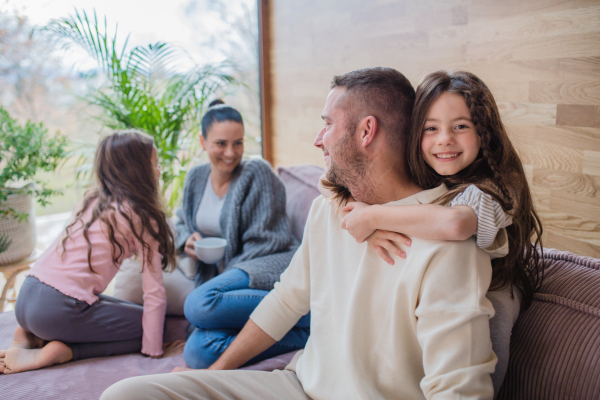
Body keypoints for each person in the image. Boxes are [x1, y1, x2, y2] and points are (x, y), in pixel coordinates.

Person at [101, 67, 498, 400]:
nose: (317, 138)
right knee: (125, 395)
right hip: (295, 386)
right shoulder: (332, 208)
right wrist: (209, 378)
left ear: (366, 131)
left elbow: (459, 390)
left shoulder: (450, 246)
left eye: (327, 124)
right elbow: (287, 299)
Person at [335, 70, 544, 396]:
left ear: (485, 133)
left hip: (497, 286)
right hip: (445, 291)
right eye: (431, 128)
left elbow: (455, 224)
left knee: (487, 347)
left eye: (461, 126)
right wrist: (362, 224)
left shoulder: (498, 188)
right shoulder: (430, 179)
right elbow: (330, 180)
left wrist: (373, 215)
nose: (444, 139)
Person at [0, 130, 180, 375]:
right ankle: (65, 351)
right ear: (138, 170)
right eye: (155, 164)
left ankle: (31, 337)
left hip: (28, 296)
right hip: (57, 309)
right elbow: (154, 292)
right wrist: (154, 349)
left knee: (132, 312)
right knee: (154, 328)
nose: (159, 170)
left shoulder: (90, 200)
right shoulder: (142, 216)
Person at [174, 100, 308, 369]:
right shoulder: (196, 178)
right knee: (199, 351)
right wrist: (186, 238)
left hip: (268, 263)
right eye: (221, 143)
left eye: (238, 143)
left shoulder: (257, 173)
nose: (230, 153)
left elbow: (269, 240)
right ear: (203, 141)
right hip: (230, 277)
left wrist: (226, 276)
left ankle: (305, 316)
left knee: (199, 305)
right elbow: (181, 221)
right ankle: (300, 335)